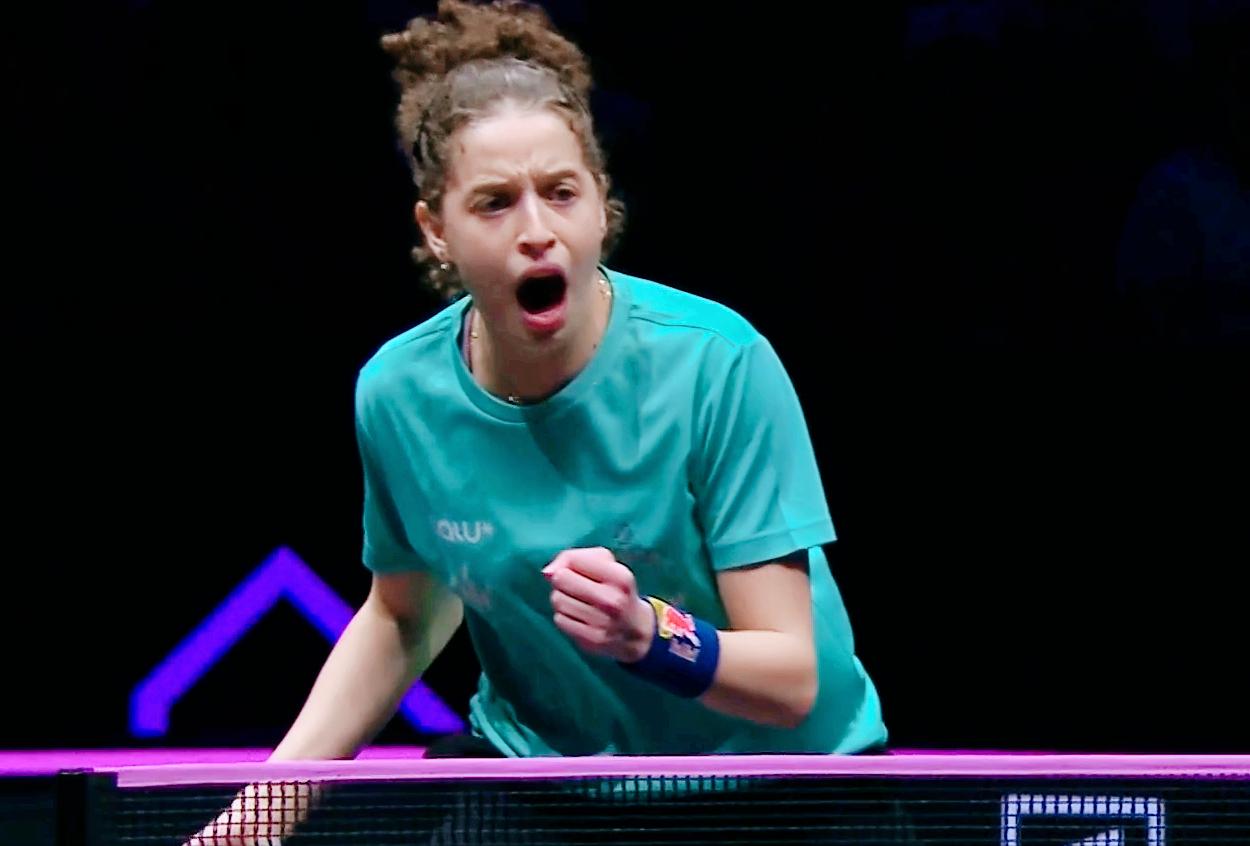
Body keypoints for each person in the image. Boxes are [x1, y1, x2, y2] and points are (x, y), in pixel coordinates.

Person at [191, 0, 888, 841]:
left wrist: (648, 634)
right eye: (494, 203)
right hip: (544, 779)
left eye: (561, 193)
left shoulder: (718, 364)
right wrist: (254, 822)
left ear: (600, 204)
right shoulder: (398, 393)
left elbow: (791, 679)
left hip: (784, 787)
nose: (537, 232)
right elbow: (404, 617)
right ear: (436, 230)